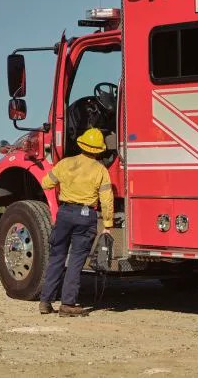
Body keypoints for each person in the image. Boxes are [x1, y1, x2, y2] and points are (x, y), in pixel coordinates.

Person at [38, 128, 114, 317]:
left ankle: (45, 301)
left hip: (65, 213)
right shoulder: (101, 170)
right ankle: (67, 304)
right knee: (76, 261)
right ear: (99, 150)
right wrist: (108, 225)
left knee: (56, 258)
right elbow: (106, 199)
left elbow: (46, 183)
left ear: (81, 144)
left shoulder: (66, 164)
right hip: (85, 215)